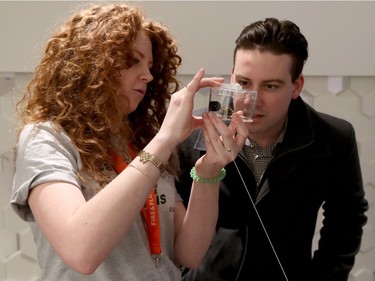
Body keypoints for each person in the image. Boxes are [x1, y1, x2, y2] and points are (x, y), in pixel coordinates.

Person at [10, 3, 249, 281]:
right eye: (133, 60)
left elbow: (190, 253)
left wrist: (208, 169)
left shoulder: (142, 141)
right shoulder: (47, 138)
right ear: (93, 62)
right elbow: (81, 250)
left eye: (149, 65)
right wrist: (164, 141)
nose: (147, 75)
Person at [177, 17, 368, 281]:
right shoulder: (191, 132)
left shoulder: (334, 138)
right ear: (231, 75)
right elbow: (166, 218)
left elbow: (347, 220)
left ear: (296, 87)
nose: (251, 99)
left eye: (270, 86)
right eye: (243, 83)